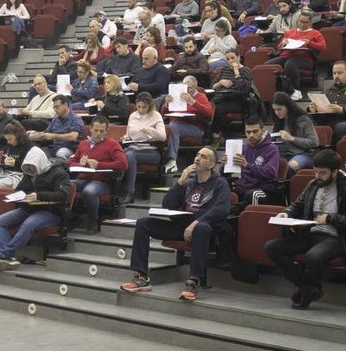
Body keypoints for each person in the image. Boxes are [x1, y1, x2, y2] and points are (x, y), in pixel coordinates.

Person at [119, 147, 231, 300]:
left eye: (203, 157)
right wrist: (180, 182)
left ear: (211, 164)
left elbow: (222, 209)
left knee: (202, 228)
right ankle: (142, 277)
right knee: (143, 223)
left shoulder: (220, 184)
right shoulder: (189, 184)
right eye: (197, 155)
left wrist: (197, 222)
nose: (197, 158)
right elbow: (168, 205)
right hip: (183, 226)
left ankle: (193, 281)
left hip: (206, 230)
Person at [264, 149, 346, 310]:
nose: (318, 176)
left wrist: (329, 218)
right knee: (271, 247)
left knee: (312, 257)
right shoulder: (313, 184)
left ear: (334, 172)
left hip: (336, 237)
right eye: (316, 172)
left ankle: (306, 291)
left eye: (323, 173)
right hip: (311, 233)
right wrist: (286, 213)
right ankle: (307, 287)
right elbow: (297, 204)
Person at [0, 149, 72, 270]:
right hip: (28, 208)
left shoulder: (59, 173)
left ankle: (3, 256)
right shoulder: (29, 174)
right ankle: (7, 258)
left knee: (28, 224)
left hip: (50, 210)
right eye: (29, 168)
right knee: (0, 221)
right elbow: (21, 189)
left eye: (33, 167)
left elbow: (63, 195)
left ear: (40, 163)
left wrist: (39, 195)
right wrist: (21, 195)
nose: (32, 171)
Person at [68, 116, 128, 233]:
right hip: (83, 178)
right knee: (66, 185)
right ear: (90, 129)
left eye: (102, 131)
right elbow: (71, 163)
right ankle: (70, 218)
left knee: (89, 191)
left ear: (106, 131)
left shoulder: (112, 144)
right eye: (96, 130)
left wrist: (99, 165)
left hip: (102, 181)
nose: (98, 133)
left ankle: (93, 222)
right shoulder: (83, 144)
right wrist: (80, 163)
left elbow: (123, 164)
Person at [267, 10, 325, 101]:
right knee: (268, 65)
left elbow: (322, 46)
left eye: (305, 22)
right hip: (287, 55)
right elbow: (279, 47)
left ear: (310, 23)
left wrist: (310, 43)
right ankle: (273, 91)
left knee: (290, 64)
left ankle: (297, 90)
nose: (302, 24)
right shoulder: (290, 32)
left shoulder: (315, 33)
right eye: (300, 21)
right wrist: (283, 43)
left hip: (304, 58)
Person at [161, 75, 213, 174]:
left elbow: (209, 112)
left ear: (195, 87)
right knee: (165, 128)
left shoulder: (200, 96)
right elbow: (163, 112)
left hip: (195, 128)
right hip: (177, 124)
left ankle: (172, 160)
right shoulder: (178, 96)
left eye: (190, 88)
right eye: (185, 87)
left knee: (173, 127)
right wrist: (167, 104)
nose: (187, 90)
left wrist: (193, 102)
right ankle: (162, 162)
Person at [121, 92, 166, 202]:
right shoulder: (133, 116)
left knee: (129, 156)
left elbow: (163, 136)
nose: (140, 110)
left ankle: (130, 192)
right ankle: (116, 190)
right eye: (139, 106)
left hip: (151, 151)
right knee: (120, 154)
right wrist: (126, 138)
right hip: (134, 147)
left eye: (144, 107)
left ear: (150, 106)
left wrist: (150, 130)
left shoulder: (156, 115)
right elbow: (129, 134)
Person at [229, 117, 281, 207]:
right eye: (248, 132)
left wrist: (247, 165)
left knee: (252, 195)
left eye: (255, 131)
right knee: (222, 190)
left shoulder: (272, 149)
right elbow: (228, 173)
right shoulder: (242, 147)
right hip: (242, 186)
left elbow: (271, 173)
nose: (251, 135)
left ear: (263, 131)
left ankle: (251, 220)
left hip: (263, 189)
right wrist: (225, 164)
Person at [271, 91, 318, 173]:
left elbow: (314, 142)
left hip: (303, 154)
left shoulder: (303, 119)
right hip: (282, 154)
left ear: (288, 107)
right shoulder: (278, 121)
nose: (277, 112)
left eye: (279, 109)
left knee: (290, 166)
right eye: (274, 110)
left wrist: (292, 138)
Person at [29, 95, 85, 163]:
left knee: (61, 153)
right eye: (54, 107)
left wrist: (54, 136)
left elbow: (73, 136)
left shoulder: (76, 119)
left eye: (57, 106)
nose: (55, 109)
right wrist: (34, 134)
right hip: (53, 147)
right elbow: (46, 134)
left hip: (69, 148)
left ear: (66, 105)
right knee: (37, 153)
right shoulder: (56, 119)